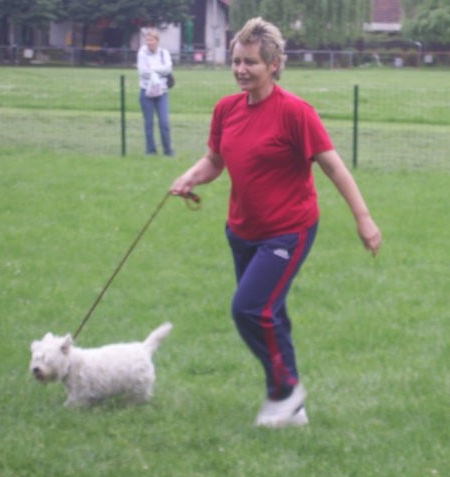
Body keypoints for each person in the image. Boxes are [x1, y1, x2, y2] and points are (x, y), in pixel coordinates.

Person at [170, 17, 382, 428]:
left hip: (289, 229)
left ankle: (285, 390)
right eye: (235, 61)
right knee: (271, 314)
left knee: (249, 309)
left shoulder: (295, 113)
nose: (240, 70)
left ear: (273, 64)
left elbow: (334, 169)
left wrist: (364, 220)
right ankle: (292, 410)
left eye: (250, 62)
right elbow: (216, 161)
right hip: (242, 231)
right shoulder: (226, 109)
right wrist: (190, 176)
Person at [137, 28, 174, 156]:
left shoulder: (164, 53)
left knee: (164, 122)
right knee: (148, 123)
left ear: (157, 41)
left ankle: (168, 151)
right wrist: (159, 71)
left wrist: (152, 70)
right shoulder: (142, 53)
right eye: (147, 40)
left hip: (162, 92)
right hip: (145, 92)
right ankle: (151, 151)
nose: (149, 42)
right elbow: (142, 72)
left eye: (151, 40)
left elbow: (168, 69)